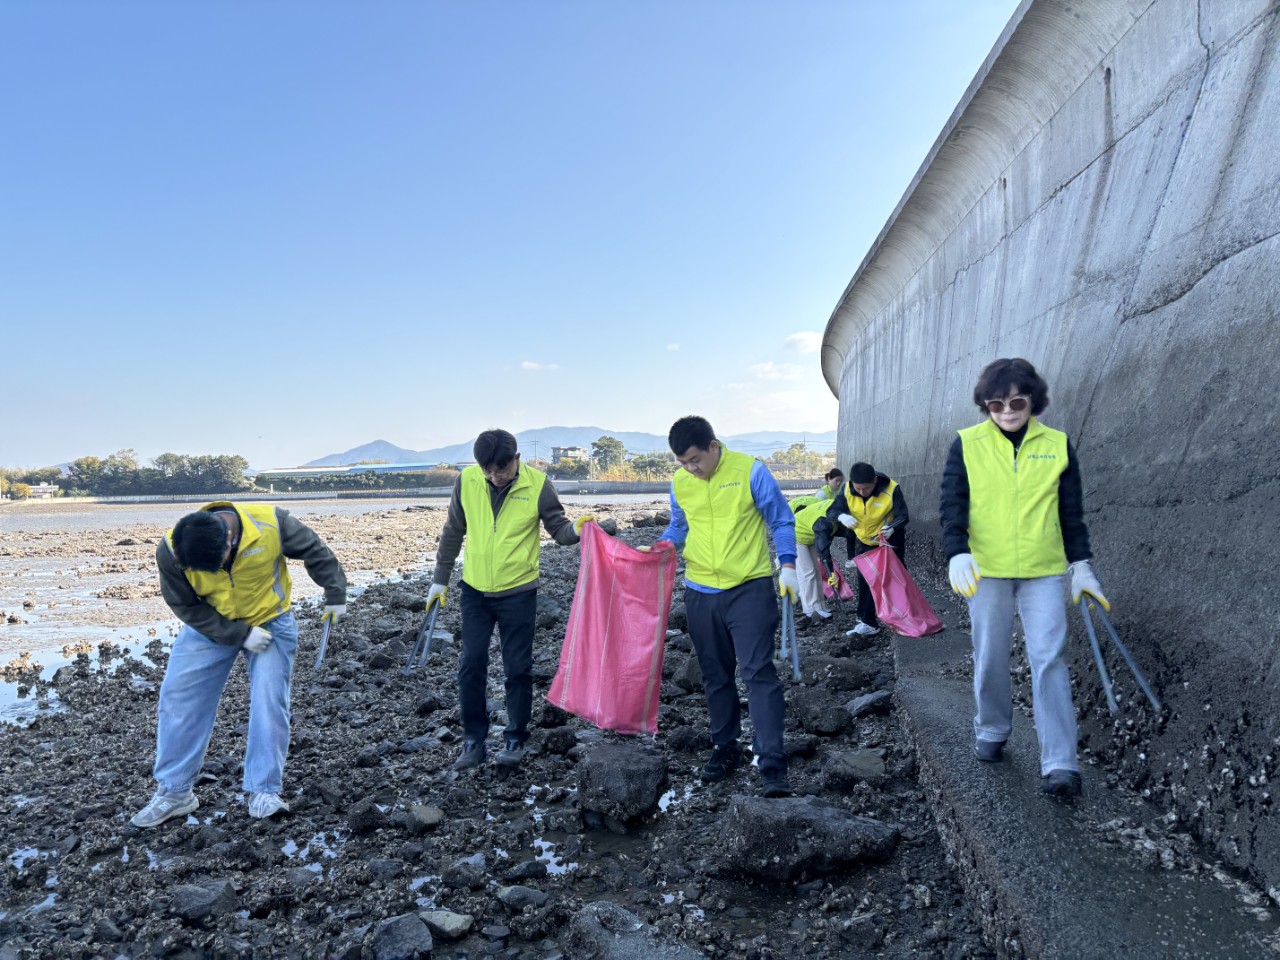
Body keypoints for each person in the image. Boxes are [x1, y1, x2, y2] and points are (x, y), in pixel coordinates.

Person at [940, 357, 1108, 803]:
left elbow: (1071, 514)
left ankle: (1059, 763)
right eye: (996, 404)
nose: (1007, 411)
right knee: (990, 654)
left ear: (1032, 400)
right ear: (986, 406)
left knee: (1049, 658)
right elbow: (952, 504)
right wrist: (956, 551)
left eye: (1016, 401)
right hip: (986, 570)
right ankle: (992, 727)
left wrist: (1081, 566)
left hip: (1044, 571)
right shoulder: (966, 444)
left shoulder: (1057, 445)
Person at [131, 502, 347, 828]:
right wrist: (239, 634)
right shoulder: (173, 550)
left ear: (229, 542)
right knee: (179, 699)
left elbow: (315, 550)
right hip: (210, 626)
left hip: (271, 620)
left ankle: (263, 791)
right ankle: (175, 793)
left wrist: (335, 593)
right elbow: (185, 605)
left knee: (269, 700)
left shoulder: (272, 523)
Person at [655, 416, 799, 798]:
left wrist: (787, 565)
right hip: (700, 592)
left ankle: (771, 762)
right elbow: (678, 528)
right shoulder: (681, 482)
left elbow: (781, 520)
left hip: (748, 588)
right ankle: (726, 748)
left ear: (714, 446)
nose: (691, 468)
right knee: (715, 675)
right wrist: (659, 547)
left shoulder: (751, 471)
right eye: (683, 462)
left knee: (757, 672)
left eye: (695, 459)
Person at [430, 429, 589, 773]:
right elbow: (453, 530)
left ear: (517, 460)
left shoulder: (538, 484)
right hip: (475, 589)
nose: (494, 476)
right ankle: (473, 740)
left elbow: (559, 530)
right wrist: (439, 581)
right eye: (488, 470)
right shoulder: (467, 481)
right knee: (471, 664)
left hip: (518, 591)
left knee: (518, 668)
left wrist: (581, 528)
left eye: (500, 470)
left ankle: (515, 737)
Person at [824, 461, 909, 636]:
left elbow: (903, 515)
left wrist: (892, 527)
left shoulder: (892, 489)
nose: (862, 492)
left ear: (875, 481)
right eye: (858, 488)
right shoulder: (847, 489)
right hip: (864, 541)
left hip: (889, 540)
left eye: (866, 488)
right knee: (864, 580)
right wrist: (841, 516)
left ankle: (904, 616)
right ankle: (868, 622)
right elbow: (832, 510)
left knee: (896, 578)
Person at [789, 495, 836, 621]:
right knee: (807, 572)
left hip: (809, 537)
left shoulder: (818, 511)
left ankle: (820, 605)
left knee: (816, 571)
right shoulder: (789, 512)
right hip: (794, 537)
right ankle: (811, 608)